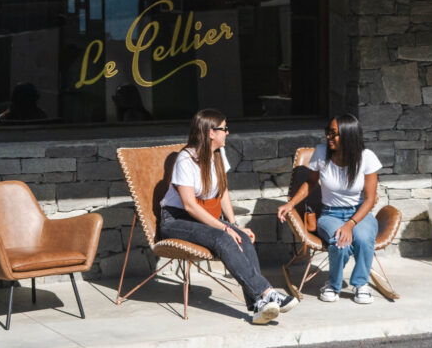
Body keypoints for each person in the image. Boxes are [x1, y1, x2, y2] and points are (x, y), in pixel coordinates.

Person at [157, 108, 296, 324]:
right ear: (211, 132)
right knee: (223, 237)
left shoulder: (217, 155)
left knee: (242, 237)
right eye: (224, 128)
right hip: (176, 220)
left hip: (201, 218)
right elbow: (189, 206)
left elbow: (222, 193)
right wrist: (224, 228)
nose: (228, 132)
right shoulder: (186, 160)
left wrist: (234, 225)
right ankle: (267, 293)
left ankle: (257, 306)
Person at [277, 113, 381, 304]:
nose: (328, 137)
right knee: (340, 243)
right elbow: (310, 183)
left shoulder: (367, 157)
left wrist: (350, 224)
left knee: (364, 238)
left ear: (348, 135)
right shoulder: (321, 153)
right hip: (331, 214)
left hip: (360, 213)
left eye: (333, 133)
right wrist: (290, 203)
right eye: (328, 131)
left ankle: (361, 284)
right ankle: (333, 284)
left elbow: (369, 199)